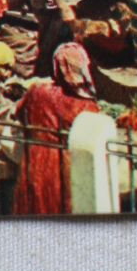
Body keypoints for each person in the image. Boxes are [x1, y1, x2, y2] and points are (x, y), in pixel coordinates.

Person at [12, 42, 102, 215]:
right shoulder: (86, 106)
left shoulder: (36, 91)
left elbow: (20, 114)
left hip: (33, 159)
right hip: (64, 165)